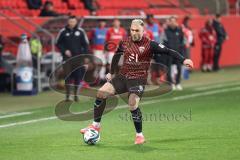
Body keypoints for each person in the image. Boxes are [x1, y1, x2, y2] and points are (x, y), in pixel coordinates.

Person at [80, 19, 193, 144]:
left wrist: (183, 60)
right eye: (132, 30)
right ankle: (95, 126)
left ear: (143, 31)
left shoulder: (150, 44)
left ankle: (139, 135)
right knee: (101, 93)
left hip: (138, 78)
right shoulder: (124, 42)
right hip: (123, 76)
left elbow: (168, 51)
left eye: (137, 30)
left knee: (132, 104)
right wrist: (111, 72)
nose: (134, 33)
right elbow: (117, 56)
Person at [56, 16, 89, 102]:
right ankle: (68, 95)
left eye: (74, 21)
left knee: (78, 76)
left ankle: (76, 95)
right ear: (68, 22)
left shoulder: (81, 31)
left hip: (78, 58)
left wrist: (85, 57)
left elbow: (85, 45)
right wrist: (64, 50)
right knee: (68, 76)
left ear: (76, 22)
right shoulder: (63, 32)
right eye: (70, 21)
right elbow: (58, 43)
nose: (72, 23)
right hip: (67, 58)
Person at [162, 16, 185, 90]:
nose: (172, 23)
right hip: (169, 53)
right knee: (168, 69)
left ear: (176, 22)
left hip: (178, 53)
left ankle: (178, 83)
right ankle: (171, 84)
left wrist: (181, 48)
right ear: (169, 22)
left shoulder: (180, 31)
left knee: (179, 68)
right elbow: (162, 42)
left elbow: (183, 41)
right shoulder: (165, 31)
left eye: (174, 21)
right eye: (171, 21)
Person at [89, 20, 108, 84]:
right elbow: (90, 39)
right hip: (96, 49)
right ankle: (95, 78)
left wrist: (106, 49)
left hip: (103, 50)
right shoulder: (94, 30)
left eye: (103, 22)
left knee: (104, 63)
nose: (102, 23)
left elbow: (108, 41)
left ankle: (102, 78)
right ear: (98, 23)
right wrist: (92, 48)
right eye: (101, 22)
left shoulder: (107, 30)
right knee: (97, 64)